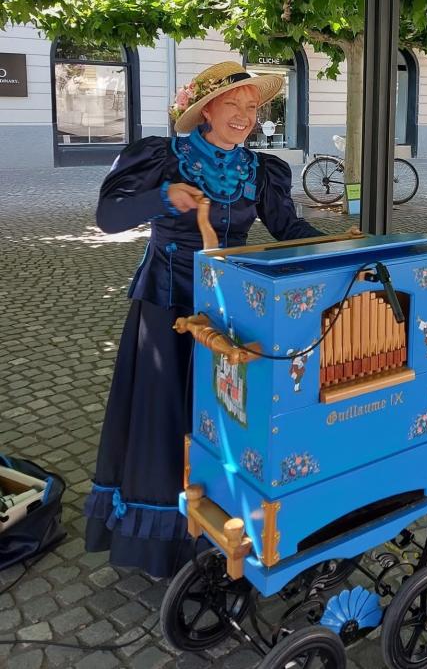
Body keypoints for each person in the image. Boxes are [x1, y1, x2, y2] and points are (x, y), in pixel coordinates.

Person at [84, 61, 322, 577]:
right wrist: (161, 197)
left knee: (225, 419)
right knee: (166, 418)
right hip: (167, 304)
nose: (243, 116)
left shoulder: (262, 170)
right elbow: (107, 219)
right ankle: (162, 544)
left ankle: (224, 526)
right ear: (206, 110)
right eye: (232, 105)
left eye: (252, 107)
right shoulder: (160, 155)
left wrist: (337, 245)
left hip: (230, 306)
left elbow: (286, 226)